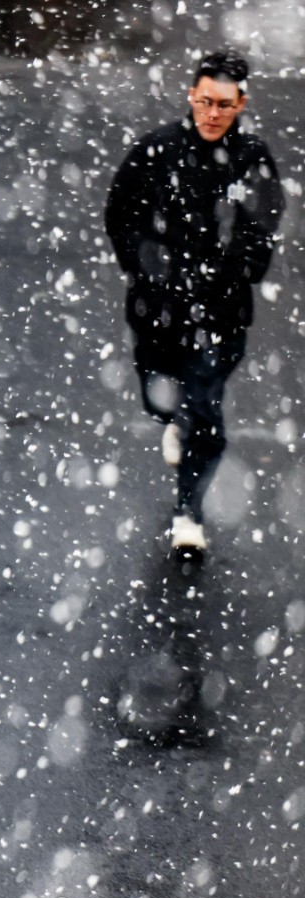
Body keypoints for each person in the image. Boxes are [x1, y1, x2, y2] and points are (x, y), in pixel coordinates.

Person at [104, 48, 285, 559]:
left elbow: (263, 225)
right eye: (206, 101)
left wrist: (233, 272)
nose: (213, 114)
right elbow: (120, 212)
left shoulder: (251, 159)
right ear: (191, 95)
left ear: (241, 104)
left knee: (205, 407)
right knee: (158, 393)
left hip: (220, 313)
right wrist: (145, 267)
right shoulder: (156, 151)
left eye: (225, 106)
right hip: (157, 310)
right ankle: (173, 422)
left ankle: (189, 513)